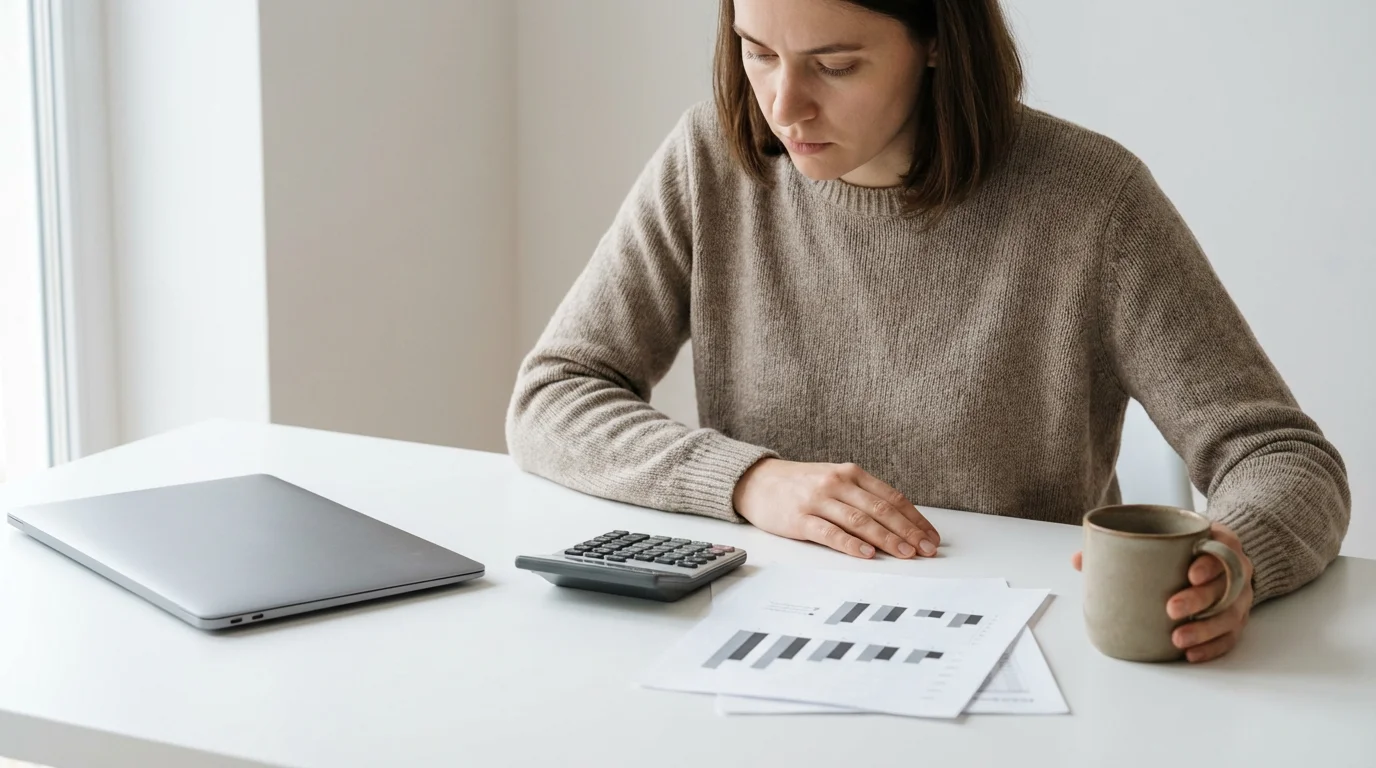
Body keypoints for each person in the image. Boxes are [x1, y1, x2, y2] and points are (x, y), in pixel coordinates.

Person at [505, 0, 1350, 663]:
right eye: (756, 51)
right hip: (760, 649)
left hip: (1025, 657)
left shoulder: (1092, 202)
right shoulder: (712, 162)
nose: (782, 104)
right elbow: (555, 396)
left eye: (834, 65)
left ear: (937, 40)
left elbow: (1279, 456)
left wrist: (1236, 560)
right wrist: (750, 481)